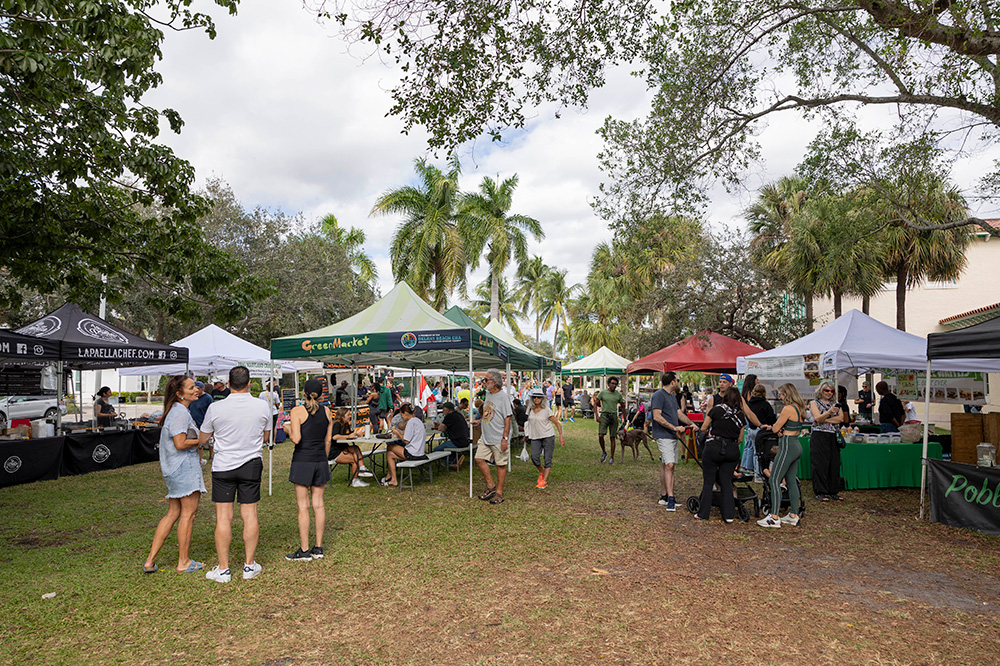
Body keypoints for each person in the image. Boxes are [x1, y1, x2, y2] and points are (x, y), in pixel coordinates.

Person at [198, 366, 271, 584]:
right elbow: (267, 436)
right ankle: (249, 565)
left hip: (223, 465)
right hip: (251, 463)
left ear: (228, 384)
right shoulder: (262, 406)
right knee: (250, 515)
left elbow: (203, 439)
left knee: (223, 517)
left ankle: (224, 569)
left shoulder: (215, 407)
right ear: (249, 383)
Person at [143, 376, 206, 574]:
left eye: (195, 386)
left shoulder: (177, 411)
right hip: (183, 468)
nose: (195, 390)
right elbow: (180, 443)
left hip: (174, 469)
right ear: (179, 394)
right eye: (190, 388)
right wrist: (203, 440)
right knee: (189, 514)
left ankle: (150, 561)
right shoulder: (179, 412)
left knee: (173, 513)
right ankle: (184, 562)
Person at [282, 378, 332, 562]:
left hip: (302, 461)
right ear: (320, 394)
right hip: (320, 460)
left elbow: (296, 438)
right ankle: (318, 548)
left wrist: (287, 429)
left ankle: (304, 550)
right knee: (318, 504)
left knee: (303, 507)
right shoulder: (327, 412)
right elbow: (328, 441)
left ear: (303, 393)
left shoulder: (297, 411)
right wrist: (323, 458)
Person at [695, 387, 746, 522]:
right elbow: (740, 439)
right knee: (726, 481)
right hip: (731, 450)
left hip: (714, 447)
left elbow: (704, 428)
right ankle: (728, 515)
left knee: (709, 480)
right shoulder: (741, 415)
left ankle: (703, 513)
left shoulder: (716, 410)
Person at [757, 383, 805, 528]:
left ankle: (774, 516)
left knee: (774, 479)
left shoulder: (788, 408)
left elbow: (776, 427)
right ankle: (793, 515)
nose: (781, 397)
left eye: (782, 394)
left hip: (787, 446)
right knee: (791, 481)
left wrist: (776, 428)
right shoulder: (799, 408)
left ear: (787, 394)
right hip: (796, 444)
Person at [650, 372, 694, 511]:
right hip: (664, 435)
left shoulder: (671, 396)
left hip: (672, 435)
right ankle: (670, 498)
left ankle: (664, 495)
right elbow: (657, 417)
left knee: (666, 464)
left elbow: (678, 414)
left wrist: (691, 423)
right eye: (678, 380)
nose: (679, 382)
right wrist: (674, 427)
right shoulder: (658, 395)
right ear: (673, 382)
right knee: (670, 465)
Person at [471, 369, 513, 504]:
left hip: (498, 436)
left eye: (486, 380)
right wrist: (480, 420)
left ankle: (499, 493)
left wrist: (505, 438)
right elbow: (489, 412)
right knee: (478, 459)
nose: (484, 382)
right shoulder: (488, 394)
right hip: (486, 436)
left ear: (494, 383)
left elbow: (508, 418)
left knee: (500, 465)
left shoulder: (503, 397)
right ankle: (491, 486)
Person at [809, 380, 846, 502]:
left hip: (832, 435)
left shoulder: (836, 404)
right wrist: (829, 413)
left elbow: (840, 419)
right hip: (819, 435)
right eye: (826, 390)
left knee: (834, 463)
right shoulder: (814, 403)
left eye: (831, 391)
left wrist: (825, 419)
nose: (829, 393)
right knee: (820, 463)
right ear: (821, 391)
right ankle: (820, 491)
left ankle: (833, 490)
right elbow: (817, 418)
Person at [523, 388, 565, 489]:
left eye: (539, 397)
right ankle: (542, 471)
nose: (536, 399)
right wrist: (526, 435)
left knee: (547, 458)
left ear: (542, 399)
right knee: (534, 457)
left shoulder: (547, 410)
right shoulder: (530, 409)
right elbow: (528, 423)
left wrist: (561, 436)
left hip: (548, 436)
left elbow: (557, 424)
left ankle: (544, 480)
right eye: (534, 397)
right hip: (535, 436)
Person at [384, 403, 427, 487]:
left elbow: (406, 441)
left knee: (390, 447)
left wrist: (397, 433)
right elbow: (410, 434)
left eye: (402, 415)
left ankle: (392, 477)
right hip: (420, 453)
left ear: (406, 414)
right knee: (389, 454)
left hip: (413, 453)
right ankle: (393, 479)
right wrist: (400, 432)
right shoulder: (417, 420)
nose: (402, 417)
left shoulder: (410, 422)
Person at [330, 408, 372, 484]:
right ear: (342, 416)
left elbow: (348, 434)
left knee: (355, 448)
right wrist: (349, 436)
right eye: (348, 415)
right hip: (334, 451)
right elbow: (335, 437)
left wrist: (356, 434)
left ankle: (362, 468)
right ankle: (355, 481)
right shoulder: (337, 424)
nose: (350, 416)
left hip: (343, 447)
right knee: (355, 459)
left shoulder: (346, 424)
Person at [744, 383, 777, 481]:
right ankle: (760, 473)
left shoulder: (749, 403)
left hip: (751, 429)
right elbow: (771, 417)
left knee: (755, 451)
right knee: (762, 452)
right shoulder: (765, 404)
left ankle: (757, 473)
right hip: (763, 430)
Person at [594, 376, 626, 464]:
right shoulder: (603, 393)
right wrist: (596, 415)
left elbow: (623, 406)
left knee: (612, 437)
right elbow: (595, 403)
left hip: (614, 416)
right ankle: (604, 452)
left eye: (615, 384)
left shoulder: (618, 394)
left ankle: (611, 457)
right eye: (612, 383)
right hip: (604, 415)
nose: (614, 385)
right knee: (601, 435)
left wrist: (625, 418)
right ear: (608, 384)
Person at [432, 401, 470, 468]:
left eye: (443, 409)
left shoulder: (449, 416)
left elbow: (441, 429)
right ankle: (456, 458)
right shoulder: (459, 415)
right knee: (446, 446)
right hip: (465, 441)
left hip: (457, 442)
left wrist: (441, 426)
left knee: (436, 450)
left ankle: (453, 462)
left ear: (448, 410)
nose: (443, 411)